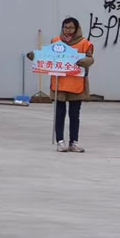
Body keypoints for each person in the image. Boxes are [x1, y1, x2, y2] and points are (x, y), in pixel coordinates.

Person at [27, 18, 95, 152]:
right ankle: (60, 141)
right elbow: (47, 56)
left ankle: (73, 142)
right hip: (59, 84)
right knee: (59, 114)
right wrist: (34, 56)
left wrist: (84, 61)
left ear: (77, 29)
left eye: (71, 28)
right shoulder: (56, 41)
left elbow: (90, 58)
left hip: (76, 84)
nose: (68, 30)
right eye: (66, 27)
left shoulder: (84, 43)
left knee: (74, 115)